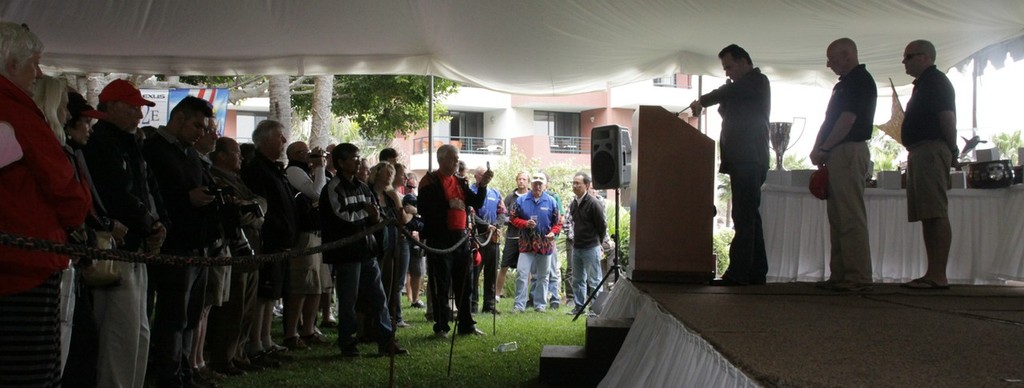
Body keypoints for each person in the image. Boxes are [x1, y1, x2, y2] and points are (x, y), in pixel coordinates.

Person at [0, 22, 92, 387]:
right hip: (25, 265)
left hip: (17, 259)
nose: (38, 74)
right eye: (33, 65)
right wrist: (78, 211)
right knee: (29, 373)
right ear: (10, 63)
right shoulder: (18, 111)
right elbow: (63, 187)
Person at [83, 78, 166, 388]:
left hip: (134, 245)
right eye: (133, 108)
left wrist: (156, 225)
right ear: (113, 107)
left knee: (138, 331)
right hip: (117, 247)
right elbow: (118, 193)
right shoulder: (104, 142)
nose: (139, 115)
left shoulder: (129, 143)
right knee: (120, 333)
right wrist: (152, 224)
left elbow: (144, 188)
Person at [142, 96, 217, 388]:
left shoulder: (190, 154)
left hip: (197, 243)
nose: (201, 132)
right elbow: (153, 194)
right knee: (172, 317)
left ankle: (184, 371)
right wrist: (188, 198)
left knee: (190, 316)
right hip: (173, 245)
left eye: (205, 126)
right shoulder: (154, 149)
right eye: (197, 125)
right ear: (179, 118)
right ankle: (168, 376)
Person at [688, 44, 771, 286]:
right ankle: (756, 271)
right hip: (742, 158)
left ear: (745, 61)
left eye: (730, 67)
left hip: (749, 158)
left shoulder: (757, 81)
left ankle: (739, 273)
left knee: (744, 215)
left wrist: (702, 100)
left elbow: (726, 96)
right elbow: (727, 105)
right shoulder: (740, 89)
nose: (727, 73)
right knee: (749, 216)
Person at [321, 143, 409, 357]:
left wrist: (374, 216)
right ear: (340, 162)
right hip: (346, 252)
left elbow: (375, 212)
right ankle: (348, 343)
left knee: (379, 297)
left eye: (359, 157)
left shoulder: (362, 187)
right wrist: (366, 215)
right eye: (353, 158)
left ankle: (386, 341)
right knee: (348, 300)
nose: (358, 161)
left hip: (366, 251)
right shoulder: (333, 188)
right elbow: (341, 216)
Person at [809, 38, 876, 292]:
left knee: (849, 215)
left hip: (848, 150)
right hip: (837, 152)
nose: (828, 64)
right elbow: (832, 120)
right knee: (838, 216)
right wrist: (821, 148)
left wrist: (824, 147)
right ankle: (840, 273)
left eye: (832, 58)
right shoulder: (847, 83)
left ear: (848, 55)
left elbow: (848, 120)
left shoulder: (859, 80)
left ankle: (857, 275)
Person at [206, 136, 267, 376]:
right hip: (234, 249)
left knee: (247, 307)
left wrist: (253, 207)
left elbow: (260, 203)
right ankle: (224, 356)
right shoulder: (217, 178)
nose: (240, 157)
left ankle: (239, 352)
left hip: (251, 248)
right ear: (221, 155)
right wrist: (253, 210)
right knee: (232, 307)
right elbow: (236, 214)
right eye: (236, 153)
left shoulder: (238, 180)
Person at [899, 39, 957, 290]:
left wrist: (952, 148)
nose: (905, 62)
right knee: (927, 213)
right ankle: (932, 271)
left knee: (935, 212)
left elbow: (947, 117)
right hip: (922, 150)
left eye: (909, 57)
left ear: (926, 57)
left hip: (932, 148)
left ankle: (938, 274)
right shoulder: (924, 85)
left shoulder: (936, 82)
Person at [240, 120, 298, 365]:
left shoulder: (274, 169)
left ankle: (265, 339)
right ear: (264, 140)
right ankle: (255, 342)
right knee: (263, 294)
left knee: (272, 293)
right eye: (279, 137)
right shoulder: (256, 169)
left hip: (281, 240)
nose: (284, 141)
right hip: (267, 240)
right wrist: (276, 228)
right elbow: (261, 206)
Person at [418, 144, 491, 337]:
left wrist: (482, 185)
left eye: (457, 159)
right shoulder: (429, 181)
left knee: (464, 284)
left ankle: (466, 324)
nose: (456, 162)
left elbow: (475, 202)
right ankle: (441, 326)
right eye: (453, 159)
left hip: (461, 238)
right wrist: (447, 205)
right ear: (442, 160)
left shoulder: (460, 181)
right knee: (441, 284)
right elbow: (423, 209)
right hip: (440, 238)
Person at [282, 141, 328, 350]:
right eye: (304, 152)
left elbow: (324, 193)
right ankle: (291, 332)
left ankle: (309, 329)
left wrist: (319, 169)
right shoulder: (293, 171)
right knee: (301, 285)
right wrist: (319, 167)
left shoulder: (309, 172)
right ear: (294, 155)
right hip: (304, 235)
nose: (308, 155)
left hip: (317, 232)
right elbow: (317, 194)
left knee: (315, 286)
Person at [508, 172, 562, 313]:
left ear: (544, 185)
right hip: (526, 245)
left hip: (545, 246)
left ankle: (540, 305)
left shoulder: (551, 201)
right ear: (531, 184)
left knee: (543, 277)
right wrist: (525, 223)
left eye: (540, 183)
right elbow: (512, 218)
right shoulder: (521, 200)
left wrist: (553, 233)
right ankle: (519, 305)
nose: (537, 186)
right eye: (535, 183)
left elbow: (558, 223)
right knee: (521, 273)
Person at [567, 172, 607, 315]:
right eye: (574, 183)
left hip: (591, 247)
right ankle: (579, 307)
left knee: (594, 280)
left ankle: (596, 310)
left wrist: (599, 242)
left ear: (587, 185)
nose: (575, 186)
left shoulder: (593, 203)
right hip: (577, 247)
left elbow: (602, 225)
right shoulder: (574, 203)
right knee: (578, 280)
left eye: (578, 183)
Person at [470, 166, 506, 314]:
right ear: (476, 176)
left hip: (493, 238)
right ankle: (472, 305)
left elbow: (502, 213)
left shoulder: (495, 193)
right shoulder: (470, 192)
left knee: (491, 272)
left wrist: (496, 225)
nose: (486, 177)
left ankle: (489, 305)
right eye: (483, 175)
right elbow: (471, 213)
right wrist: (486, 225)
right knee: (474, 272)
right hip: (476, 237)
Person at [496, 171, 530, 299]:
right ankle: (496, 295)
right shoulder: (510, 198)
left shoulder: (531, 197)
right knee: (504, 266)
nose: (521, 181)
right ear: (516, 181)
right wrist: (510, 220)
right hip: (511, 237)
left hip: (527, 238)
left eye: (524, 179)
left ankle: (524, 296)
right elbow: (502, 215)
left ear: (528, 182)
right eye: (519, 179)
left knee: (526, 269)